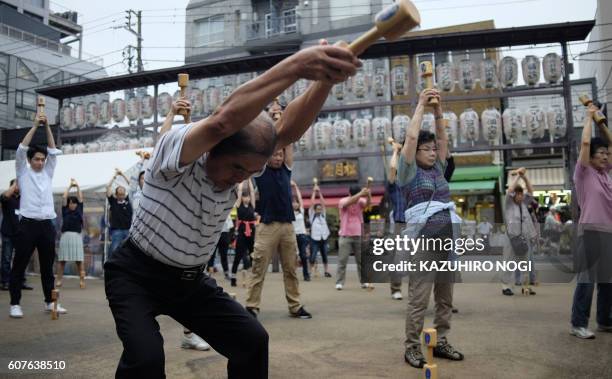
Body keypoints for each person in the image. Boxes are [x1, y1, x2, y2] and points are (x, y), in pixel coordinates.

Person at [104, 42, 359, 378]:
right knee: (146, 360)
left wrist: (325, 79)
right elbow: (222, 122)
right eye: (237, 168)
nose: (240, 179)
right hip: (136, 275)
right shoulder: (176, 152)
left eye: (250, 173)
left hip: (189, 281)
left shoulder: (247, 161)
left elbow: (288, 132)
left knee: (252, 341)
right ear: (213, 149)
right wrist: (296, 66)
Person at [399, 89, 464, 368]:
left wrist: (438, 110)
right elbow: (412, 137)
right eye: (428, 148)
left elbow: (443, 136)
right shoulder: (409, 171)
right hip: (423, 242)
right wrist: (421, 105)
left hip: (446, 239)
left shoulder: (439, 167)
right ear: (416, 151)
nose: (433, 151)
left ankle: (442, 341)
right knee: (419, 298)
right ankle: (412, 347)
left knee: (445, 299)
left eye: (434, 148)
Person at [245, 106, 313, 319]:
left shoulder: (287, 169)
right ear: (267, 156)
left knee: (291, 269)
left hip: (287, 226)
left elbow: (289, 140)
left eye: (281, 153)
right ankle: (252, 306)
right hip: (266, 226)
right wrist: (272, 121)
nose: (278, 156)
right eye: (274, 153)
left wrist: (282, 118)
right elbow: (266, 145)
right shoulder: (261, 171)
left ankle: (295, 306)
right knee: (258, 268)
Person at [9, 113, 66, 318]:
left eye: (42, 160)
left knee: (47, 266)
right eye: (37, 159)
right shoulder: (23, 172)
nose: (41, 162)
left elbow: (52, 150)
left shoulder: (48, 172)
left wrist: (48, 127)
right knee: (20, 264)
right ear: (30, 160)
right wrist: (35, 126)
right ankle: (15, 303)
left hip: (46, 225)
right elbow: (21, 148)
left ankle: (50, 302)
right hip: (27, 224)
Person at [570, 102, 612, 339]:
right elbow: (585, 143)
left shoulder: (606, 174)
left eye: (607, 154)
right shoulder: (584, 173)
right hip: (590, 232)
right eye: (602, 154)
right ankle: (578, 324)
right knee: (587, 280)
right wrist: (588, 117)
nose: (606, 157)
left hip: (608, 232)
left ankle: (605, 320)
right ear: (591, 157)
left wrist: (601, 123)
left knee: (608, 281)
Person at [502, 168, 537, 296]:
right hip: (511, 237)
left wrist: (525, 177)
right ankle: (506, 287)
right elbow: (510, 190)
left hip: (524, 237)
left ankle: (526, 287)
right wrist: (517, 176)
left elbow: (531, 192)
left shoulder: (524, 204)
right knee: (509, 262)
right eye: (519, 194)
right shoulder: (508, 203)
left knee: (525, 263)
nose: (521, 196)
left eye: (522, 194)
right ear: (514, 195)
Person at [335, 184, 371, 290]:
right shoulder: (342, 201)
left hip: (358, 234)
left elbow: (368, 204)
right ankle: (339, 282)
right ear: (349, 193)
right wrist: (361, 194)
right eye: (356, 194)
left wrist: (368, 195)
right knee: (342, 260)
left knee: (361, 261)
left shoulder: (360, 201)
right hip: (345, 235)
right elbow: (348, 203)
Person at [1, 180, 33, 291]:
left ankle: (21, 281)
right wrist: (15, 184)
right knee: (6, 258)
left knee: (22, 259)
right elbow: (3, 198)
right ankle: (5, 282)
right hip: (8, 233)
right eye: (17, 184)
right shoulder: (7, 198)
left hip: (21, 235)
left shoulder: (23, 199)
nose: (19, 186)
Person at [56, 179, 86, 289]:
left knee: (79, 260)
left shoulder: (79, 210)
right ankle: (59, 280)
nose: (72, 204)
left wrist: (77, 185)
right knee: (62, 260)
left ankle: (82, 280)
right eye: (70, 202)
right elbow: (64, 197)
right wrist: (69, 186)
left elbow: (81, 197)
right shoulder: (65, 210)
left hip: (76, 236)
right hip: (66, 236)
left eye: (74, 203)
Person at [386, 140, 406, 300]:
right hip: (401, 224)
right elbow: (393, 168)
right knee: (398, 258)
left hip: (418, 223)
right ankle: (395, 289)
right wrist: (395, 152)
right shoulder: (395, 186)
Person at [231, 179, 256, 287]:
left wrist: (249, 180)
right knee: (238, 255)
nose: (247, 198)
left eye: (248, 197)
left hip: (251, 232)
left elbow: (252, 192)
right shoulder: (239, 205)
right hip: (241, 232)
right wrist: (241, 182)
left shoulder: (252, 206)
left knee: (253, 255)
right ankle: (233, 277)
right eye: (245, 197)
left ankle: (253, 277)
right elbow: (240, 191)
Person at [106, 169, 133, 260]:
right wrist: (114, 176)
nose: (121, 195)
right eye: (120, 194)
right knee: (114, 251)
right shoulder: (113, 202)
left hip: (128, 231)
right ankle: (110, 267)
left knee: (129, 253)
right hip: (117, 231)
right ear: (116, 195)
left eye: (123, 193)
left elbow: (132, 185)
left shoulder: (128, 201)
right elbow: (108, 187)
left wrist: (122, 175)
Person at [309, 185, 331, 278]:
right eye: (317, 209)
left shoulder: (323, 215)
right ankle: (310, 271)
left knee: (325, 256)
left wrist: (320, 192)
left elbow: (323, 203)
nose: (319, 210)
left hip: (324, 238)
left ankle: (326, 271)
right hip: (315, 239)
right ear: (314, 210)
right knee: (313, 256)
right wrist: (314, 192)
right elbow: (311, 203)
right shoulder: (312, 216)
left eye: (320, 209)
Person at [292, 181, 310, 281]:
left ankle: (306, 275)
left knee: (303, 255)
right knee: (293, 256)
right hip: (292, 237)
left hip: (302, 236)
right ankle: (292, 275)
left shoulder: (301, 212)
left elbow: (300, 197)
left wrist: (295, 186)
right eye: (293, 202)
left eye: (296, 202)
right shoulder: (289, 213)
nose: (295, 204)